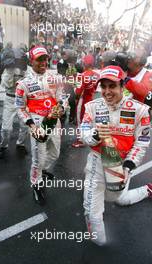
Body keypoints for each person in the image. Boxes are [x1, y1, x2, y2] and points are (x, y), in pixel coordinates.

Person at [81, 65, 152, 246]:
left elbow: (142, 142)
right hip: (96, 163)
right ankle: (100, 245)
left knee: (118, 198)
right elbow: (84, 134)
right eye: (103, 87)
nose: (107, 91)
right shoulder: (91, 107)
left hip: (121, 165)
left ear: (122, 86)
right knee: (92, 212)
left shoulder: (140, 110)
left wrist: (128, 165)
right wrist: (95, 135)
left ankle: (147, 190)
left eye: (112, 86)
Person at [15, 46, 65, 205]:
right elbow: (20, 108)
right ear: (31, 61)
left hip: (54, 121)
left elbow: (62, 98)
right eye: (39, 59)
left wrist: (61, 108)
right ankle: (36, 185)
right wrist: (31, 125)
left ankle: (42, 172)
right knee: (38, 159)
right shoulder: (23, 83)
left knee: (55, 154)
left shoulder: (56, 78)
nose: (43, 62)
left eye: (45, 58)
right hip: (37, 123)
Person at [0, 45, 28, 159]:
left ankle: (21, 144)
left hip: (22, 100)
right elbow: (6, 84)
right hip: (10, 99)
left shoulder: (26, 69)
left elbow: (28, 84)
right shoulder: (8, 68)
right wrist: (12, 71)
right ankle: (3, 146)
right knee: (6, 128)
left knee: (25, 126)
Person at [72, 54, 99, 147]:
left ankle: (81, 140)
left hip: (82, 100)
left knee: (80, 120)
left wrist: (75, 99)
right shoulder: (97, 75)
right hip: (91, 98)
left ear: (85, 63)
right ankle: (86, 137)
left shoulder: (82, 76)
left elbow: (78, 92)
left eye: (83, 62)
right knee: (87, 119)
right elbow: (95, 87)